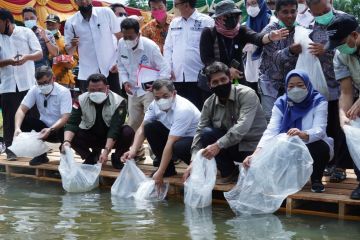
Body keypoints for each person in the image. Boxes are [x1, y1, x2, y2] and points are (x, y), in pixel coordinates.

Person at [243, 70, 334, 193]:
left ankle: (316, 179)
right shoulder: (281, 103)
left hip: (310, 143)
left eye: (300, 85)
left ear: (307, 85)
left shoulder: (318, 101)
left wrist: (302, 134)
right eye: (291, 86)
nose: (295, 89)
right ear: (286, 87)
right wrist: (255, 154)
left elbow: (320, 129)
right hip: (288, 144)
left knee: (321, 147)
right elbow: (271, 131)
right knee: (272, 149)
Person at [185, 62, 267, 184]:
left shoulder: (247, 94)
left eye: (223, 79)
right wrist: (193, 161)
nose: (220, 84)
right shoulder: (209, 103)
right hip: (230, 146)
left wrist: (218, 145)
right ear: (209, 85)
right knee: (201, 136)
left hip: (253, 148)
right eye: (215, 82)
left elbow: (242, 127)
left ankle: (244, 168)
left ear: (230, 78)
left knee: (211, 137)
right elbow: (200, 129)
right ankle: (229, 172)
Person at [200, 0, 290, 98]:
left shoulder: (240, 30)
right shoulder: (208, 33)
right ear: (218, 18)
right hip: (217, 82)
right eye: (227, 16)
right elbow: (207, 59)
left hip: (237, 81)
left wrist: (270, 37)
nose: (232, 19)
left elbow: (257, 38)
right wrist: (227, 71)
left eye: (234, 15)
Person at [122, 79, 200, 185]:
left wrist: (160, 171)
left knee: (178, 146)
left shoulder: (183, 109)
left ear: (174, 93)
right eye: (157, 97)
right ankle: (168, 170)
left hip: (196, 143)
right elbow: (142, 128)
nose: (161, 100)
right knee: (150, 128)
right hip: (175, 136)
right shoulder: (154, 105)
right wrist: (133, 150)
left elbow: (171, 142)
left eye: (165, 96)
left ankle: (198, 168)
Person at [62, 73, 134, 169]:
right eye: (92, 90)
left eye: (100, 90)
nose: (96, 92)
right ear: (87, 89)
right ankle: (90, 157)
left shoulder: (119, 101)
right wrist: (66, 142)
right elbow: (72, 123)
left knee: (128, 132)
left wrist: (106, 152)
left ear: (107, 88)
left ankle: (117, 157)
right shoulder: (80, 100)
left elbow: (115, 128)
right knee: (65, 132)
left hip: (111, 137)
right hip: (90, 135)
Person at [307, 0, 344, 182]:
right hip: (319, 86)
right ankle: (328, 164)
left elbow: (351, 43)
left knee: (341, 127)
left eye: (325, 11)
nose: (321, 15)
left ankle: (341, 166)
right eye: (317, 13)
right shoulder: (309, 26)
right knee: (325, 126)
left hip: (343, 83)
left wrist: (326, 48)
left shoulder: (343, 20)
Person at [0, 8, 43, 160]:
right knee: (9, 118)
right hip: (7, 85)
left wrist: (27, 57)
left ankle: (38, 150)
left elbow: (39, 53)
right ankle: (11, 149)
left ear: (6, 21)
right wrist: (8, 61)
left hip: (28, 83)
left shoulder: (26, 32)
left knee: (33, 117)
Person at [326, 14, 360, 199]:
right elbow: (346, 92)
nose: (338, 47)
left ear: (354, 35)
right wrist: (342, 115)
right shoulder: (341, 56)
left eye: (341, 42)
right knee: (352, 130)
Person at [118, 18, 170, 132]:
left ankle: (155, 149)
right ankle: (136, 149)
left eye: (130, 37)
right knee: (132, 123)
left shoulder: (150, 47)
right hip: (132, 89)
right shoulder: (121, 43)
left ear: (139, 34)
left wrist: (157, 85)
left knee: (151, 121)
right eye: (125, 36)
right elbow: (121, 66)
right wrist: (125, 82)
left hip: (149, 89)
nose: (127, 40)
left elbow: (165, 69)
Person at [13, 66, 72, 165]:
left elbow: (65, 117)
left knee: (65, 126)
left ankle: (64, 155)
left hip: (60, 129)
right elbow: (21, 110)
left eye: (46, 82)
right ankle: (40, 154)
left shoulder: (63, 92)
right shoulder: (35, 89)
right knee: (23, 120)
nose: (43, 86)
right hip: (43, 129)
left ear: (53, 78)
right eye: (40, 83)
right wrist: (17, 128)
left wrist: (51, 129)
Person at [163, 0, 214, 110]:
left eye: (176, 5)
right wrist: (168, 67)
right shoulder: (174, 23)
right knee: (180, 111)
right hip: (177, 76)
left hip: (199, 76)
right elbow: (168, 47)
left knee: (199, 110)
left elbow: (213, 48)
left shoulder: (207, 21)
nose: (174, 8)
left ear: (186, 5)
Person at [64, 0, 122, 94]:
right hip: (88, 72)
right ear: (75, 2)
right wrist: (73, 45)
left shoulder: (106, 12)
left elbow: (121, 38)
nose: (83, 1)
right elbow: (69, 51)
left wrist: (118, 61)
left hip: (111, 68)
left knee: (116, 102)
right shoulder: (71, 22)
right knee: (91, 105)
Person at [259, 0, 301, 121]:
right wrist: (291, 50)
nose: (290, 15)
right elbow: (275, 58)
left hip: (292, 84)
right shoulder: (270, 31)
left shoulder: (301, 31)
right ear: (277, 14)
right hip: (270, 84)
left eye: (293, 11)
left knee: (292, 120)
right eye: (285, 12)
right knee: (272, 119)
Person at [243, 0, 272, 90]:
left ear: (261, 3)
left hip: (267, 61)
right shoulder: (246, 23)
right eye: (248, 4)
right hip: (251, 61)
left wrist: (255, 44)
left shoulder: (271, 20)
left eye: (254, 3)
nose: (251, 7)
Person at [45, 14, 78, 88]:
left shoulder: (66, 40)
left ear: (59, 26)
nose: (50, 27)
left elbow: (74, 60)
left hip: (61, 80)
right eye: (48, 24)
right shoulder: (40, 39)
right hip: (42, 79)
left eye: (53, 24)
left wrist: (60, 59)